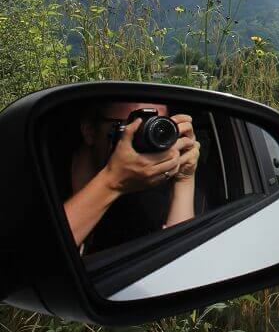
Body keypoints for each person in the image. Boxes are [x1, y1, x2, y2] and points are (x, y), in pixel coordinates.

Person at [59, 102, 201, 253]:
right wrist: (112, 182)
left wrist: (184, 178)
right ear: (90, 131)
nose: (148, 136)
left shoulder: (149, 198)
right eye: (134, 125)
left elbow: (179, 260)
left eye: (157, 126)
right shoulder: (43, 177)